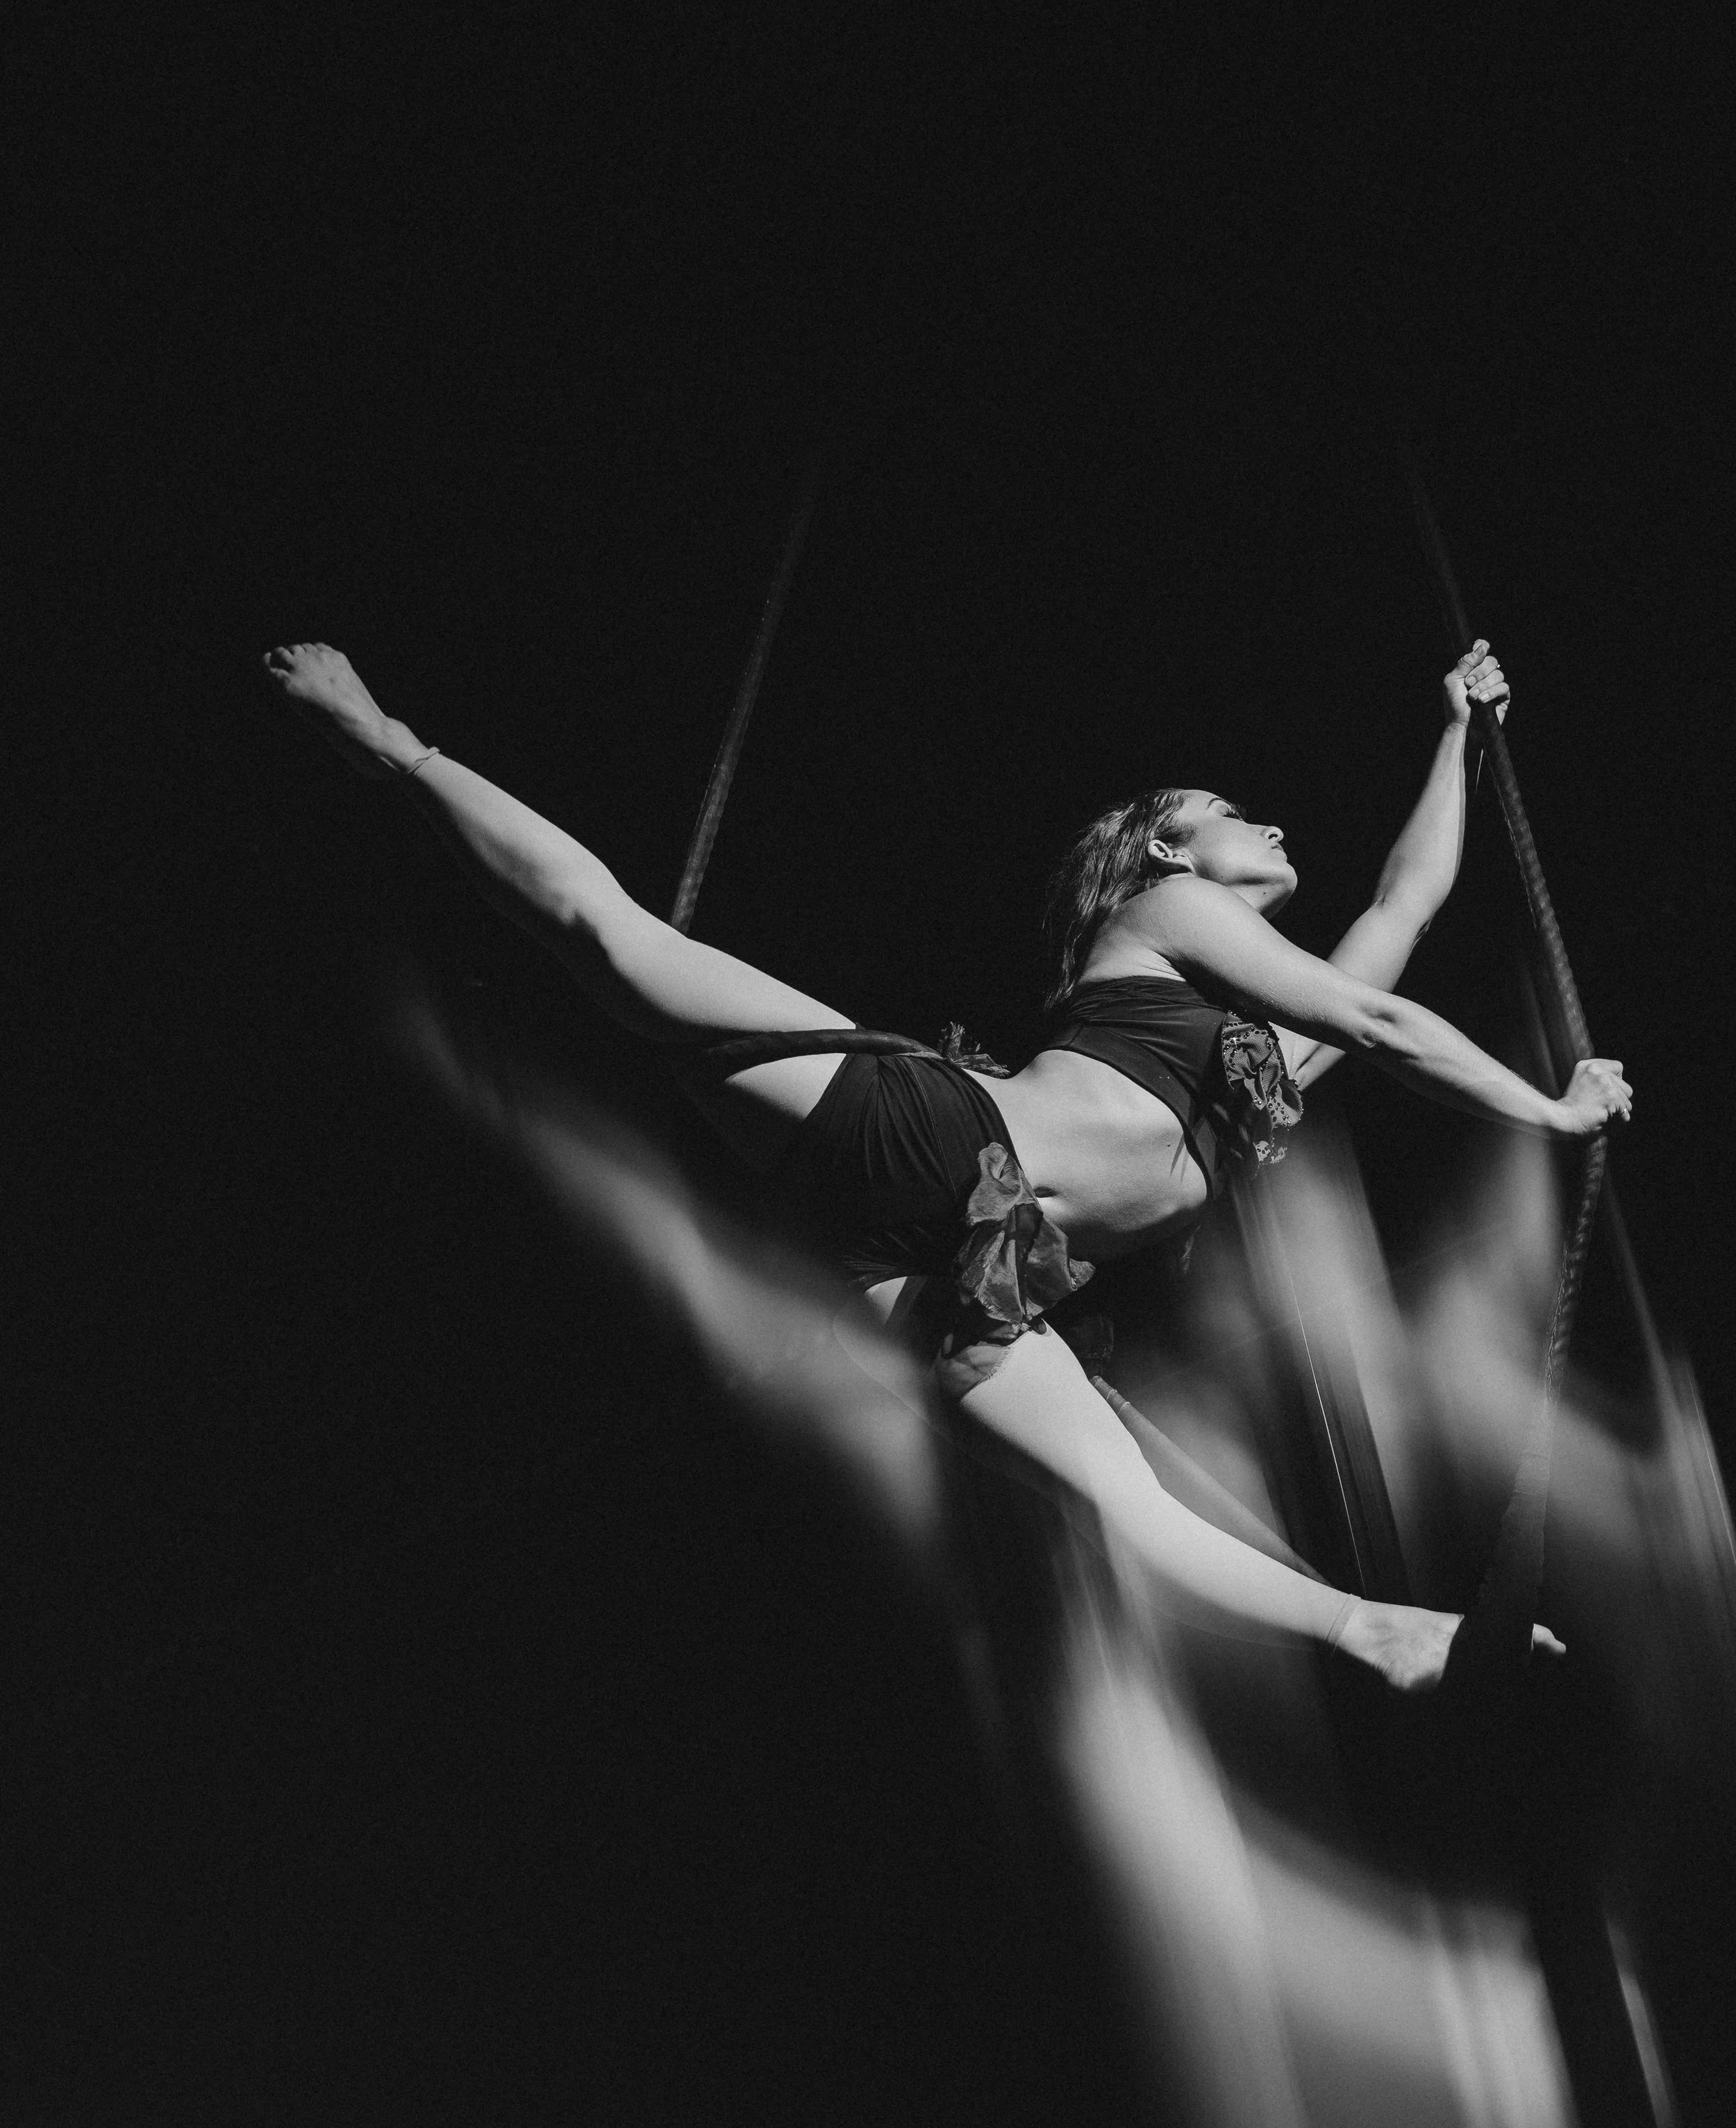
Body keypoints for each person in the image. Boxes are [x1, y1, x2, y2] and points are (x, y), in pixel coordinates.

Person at [262, 639, 1630, 1689]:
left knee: (1124, 1505)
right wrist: (1548, 1110)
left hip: (945, 1280)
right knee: (615, 949)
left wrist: (1455, 729)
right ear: (1168, 848)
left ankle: (1376, 1630)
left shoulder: (1260, 1072)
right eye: (1233, 812)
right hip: (932, 1134)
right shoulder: (1167, 911)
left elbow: (1402, 907)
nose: (1271, 829)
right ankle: (385, 741)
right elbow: (1382, 1020)